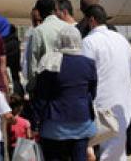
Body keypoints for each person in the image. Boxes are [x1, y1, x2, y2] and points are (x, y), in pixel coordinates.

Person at [31, 25, 98, 161]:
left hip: (54, 127)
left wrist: (34, 123)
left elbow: (41, 98)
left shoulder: (50, 62)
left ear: (59, 41)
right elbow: (93, 92)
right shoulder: (89, 63)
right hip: (81, 123)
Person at [81, 5, 131, 161]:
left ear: (91, 20)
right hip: (123, 105)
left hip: (101, 107)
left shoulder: (89, 42)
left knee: (101, 151)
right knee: (118, 152)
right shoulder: (122, 39)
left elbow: (85, 77)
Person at [26, 0, 71, 91]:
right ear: (54, 9)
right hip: (67, 81)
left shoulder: (38, 31)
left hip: (46, 85)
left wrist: (32, 86)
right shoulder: (68, 27)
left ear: (38, 11)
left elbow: (33, 62)